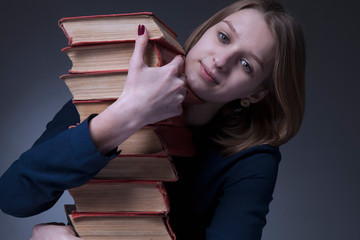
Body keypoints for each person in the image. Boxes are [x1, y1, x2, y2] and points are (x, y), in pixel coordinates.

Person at [1, 0, 306, 239]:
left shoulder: (252, 159)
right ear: (203, 33)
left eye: (246, 64)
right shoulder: (111, 88)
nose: (221, 61)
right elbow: (14, 197)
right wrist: (127, 114)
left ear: (255, 95)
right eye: (223, 37)